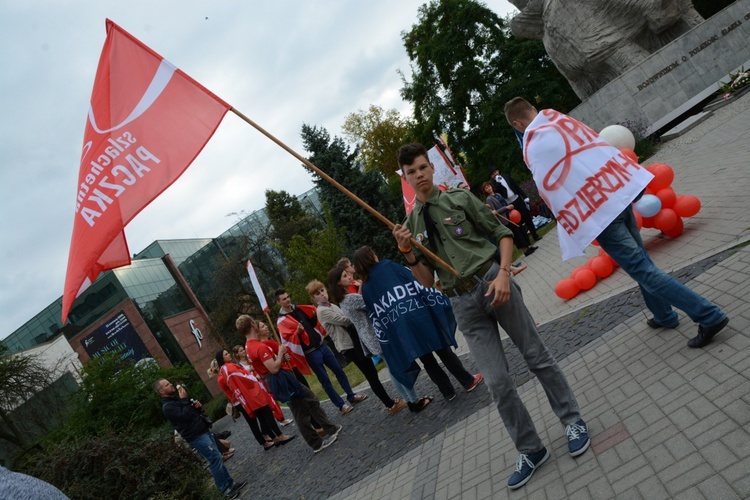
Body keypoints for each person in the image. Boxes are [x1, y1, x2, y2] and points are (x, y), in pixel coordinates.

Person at [392, 143, 589, 490]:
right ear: (406, 178)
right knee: (497, 382)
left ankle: (572, 421)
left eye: (423, 167)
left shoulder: (460, 199)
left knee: (536, 356)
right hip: (461, 304)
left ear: (431, 168)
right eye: (412, 172)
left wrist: (503, 273)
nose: (419, 174)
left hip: (493, 282)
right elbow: (425, 280)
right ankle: (531, 448)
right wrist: (407, 251)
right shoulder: (411, 225)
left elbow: (502, 233)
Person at [504, 96, 729, 348]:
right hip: (616, 195)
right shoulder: (561, 122)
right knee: (640, 260)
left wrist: (573, 224)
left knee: (642, 268)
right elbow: (598, 148)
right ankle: (663, 314)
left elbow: (551, 189)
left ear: (516, 122)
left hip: (599, 213)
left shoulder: (534, 146)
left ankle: (708, 315)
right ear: (533, 110)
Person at [349, 246, 483, 402]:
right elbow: (413, 281)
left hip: (402, 327)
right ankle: (467, 381)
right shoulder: (389, 266)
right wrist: (435, 298)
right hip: (419, 314)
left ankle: (447, 392)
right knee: (443, 349)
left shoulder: (366, 286)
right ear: (371, 257)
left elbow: (376, 313)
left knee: (427, 359)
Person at [240, 315, 342, 454]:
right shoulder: (257, 346)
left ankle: (330, 428)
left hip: (283, 377)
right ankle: (316, 443)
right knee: (300, 412)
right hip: (281, 379)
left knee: (311, 399)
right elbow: (273, 368)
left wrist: (281, 358)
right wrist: (281, 355)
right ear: (252, 324)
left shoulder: (249, 345)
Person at [309, 278, 407, 415]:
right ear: (314, 298)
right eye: (318, 294)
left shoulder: (331, 305)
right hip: (348, 346)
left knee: (372, 372)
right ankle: (389, 405)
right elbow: (345, 320)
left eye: (322, 290)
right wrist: (357, 314)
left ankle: (389, 401)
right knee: (370, 374)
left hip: (354, 342)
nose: (322, 294)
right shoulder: (322, 311)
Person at [274, 288, 367, 414]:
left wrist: (313, 316)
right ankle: (340, 405)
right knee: (325, 380)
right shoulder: (282, 321)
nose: (288, 300)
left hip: (321, 345)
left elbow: (311, 324)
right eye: (284, 299)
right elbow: (288, 340)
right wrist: (298, 332)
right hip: (310, 353)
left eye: (288, 296)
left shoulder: (299, 309)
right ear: (278, 302)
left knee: (339, 370)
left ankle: (351, 395)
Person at [154, 378, 246, 498]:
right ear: (161, 391)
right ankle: (224, 490)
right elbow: (184, 416)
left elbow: (190, 412)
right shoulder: (168, 407)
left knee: (217, 456)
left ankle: (230, 483)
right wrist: (185, 400)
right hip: (196, 436)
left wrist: (195, 406)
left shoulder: (176, 400)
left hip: (202, 430)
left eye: (169, 383)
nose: (171, 384)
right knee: (215, 459)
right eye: (167, 385)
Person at [210, 350, 294, 450]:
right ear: (222, 359)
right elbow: (245, 379)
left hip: (246, 398)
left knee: (262, 418)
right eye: (226, 354)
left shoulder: (225, 370)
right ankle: (278, 437)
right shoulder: (229, 368)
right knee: (266, 415)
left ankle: (274, 438)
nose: (229, 354)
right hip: (250, 396)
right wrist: (254, 377)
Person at [233, 345, 294, 426]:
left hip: (263, 382)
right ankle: (275, 422)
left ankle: (281, 418)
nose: (243, 351)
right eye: (241, 351)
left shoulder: (250, 360)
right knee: (267, 405)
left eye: (243, 349)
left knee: (273, 400)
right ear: (237, 355)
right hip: (255, 386)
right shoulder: (239, 366)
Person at [481, 181, 536, 257]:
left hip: (511, 214)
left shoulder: (498, 194)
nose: (488, 188)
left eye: (489, 186)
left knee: (521, 229)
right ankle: (525, 250)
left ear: (491, 186)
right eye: (486, 188)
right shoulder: (489, 199)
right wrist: (505, 208)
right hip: (505, 219)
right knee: (517, 234)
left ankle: (529, 246)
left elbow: (505, 203)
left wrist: (509, 206)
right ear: (485, 191)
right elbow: (495, 212)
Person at [489, 167, 542, 242]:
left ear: (498, 171)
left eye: (495, 172)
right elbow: (496, 191)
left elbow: (516, 186)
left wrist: (524, 196)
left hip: (517, 199)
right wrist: (497, 182)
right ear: (491, 176)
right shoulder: (494, 184)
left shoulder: (506, 176)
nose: (495, 174)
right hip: (509, 203)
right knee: (518, 221)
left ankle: (535, 236)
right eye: (493, 174)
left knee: (527, 218)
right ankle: (526, 242)